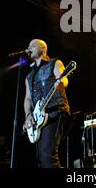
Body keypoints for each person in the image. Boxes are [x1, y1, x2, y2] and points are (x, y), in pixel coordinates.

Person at [22, 39, 71, 168]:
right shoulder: (29, 76)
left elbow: (64, 80)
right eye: (28, 46)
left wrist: (60, 81)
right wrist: (28, 115)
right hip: (38, 118)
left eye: (32, 45)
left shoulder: (54, 63)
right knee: (40, 159)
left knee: (47, 155)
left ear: (43, 50)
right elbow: (27, 98)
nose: (29, 48)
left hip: (55, 111)